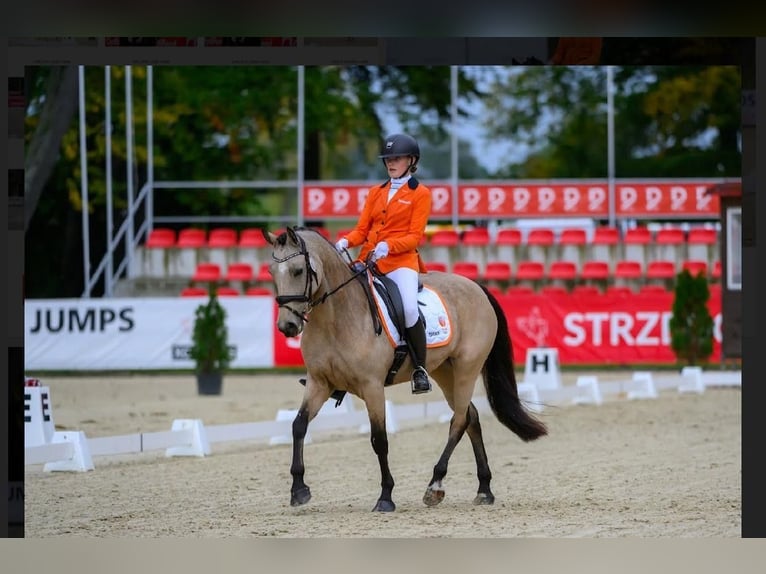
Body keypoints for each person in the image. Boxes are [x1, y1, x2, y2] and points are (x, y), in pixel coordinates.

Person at [335, 133, 432, 394]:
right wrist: (346, 241)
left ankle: (420, 369)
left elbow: (414, 237)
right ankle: (340, 370)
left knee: (410, 309)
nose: (391, 162)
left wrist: (389, 246)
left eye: (397, 158)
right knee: (344, 302)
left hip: (401, 262)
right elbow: (362, 230)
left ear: (411, 161)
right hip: (368, 260)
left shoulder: (420, 194)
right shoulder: (375, 192)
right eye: (388, 158)